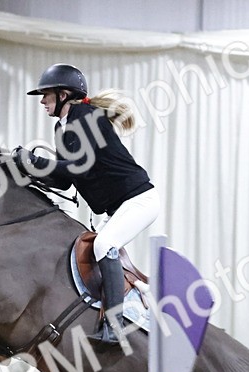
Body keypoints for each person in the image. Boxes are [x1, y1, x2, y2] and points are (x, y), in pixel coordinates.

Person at [12, 64, 160, 346]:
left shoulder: (85, 116)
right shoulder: (62, 128)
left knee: (105, 245)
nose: (42, 101)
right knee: (89, 251)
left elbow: (75, 167)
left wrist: (30, 161)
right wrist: (26, 171)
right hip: (119, 207)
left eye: (46, 95)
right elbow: (64, 181)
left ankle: (116, 324)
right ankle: (132, 297)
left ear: (64, 94)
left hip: (140, 200)